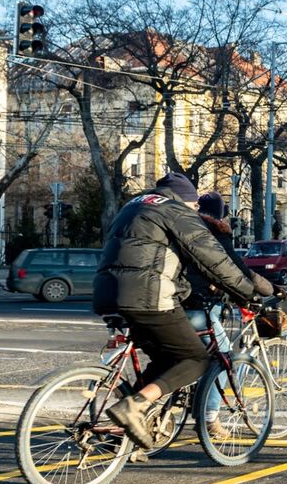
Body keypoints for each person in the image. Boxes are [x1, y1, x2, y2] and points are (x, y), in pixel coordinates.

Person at [94, 172, 258, 450]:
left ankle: (126, 429)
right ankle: (135, 408)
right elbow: (215, 261)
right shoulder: (176, 211)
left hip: (105, 293)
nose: (196, 209)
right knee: (196, 360)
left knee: (166, 360)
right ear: (186, 201)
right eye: (195, 205)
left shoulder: (134, 205)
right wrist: (250, 292)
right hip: (146, 297)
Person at [184, 192, 274, 440]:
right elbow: (233, 269)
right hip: (198, 305)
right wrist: (266, 290)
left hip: (172, 301)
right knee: (223, 358)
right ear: (220, 216)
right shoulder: (216, 234)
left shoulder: (184, 228)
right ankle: (211, 418)